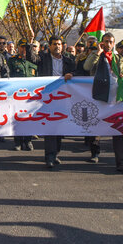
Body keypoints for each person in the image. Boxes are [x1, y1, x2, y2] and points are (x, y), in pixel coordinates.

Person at [83, 33, 123, 172]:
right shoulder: (97, 56)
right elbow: (87, 67)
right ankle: (95, 153)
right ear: (101, 43)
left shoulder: (118, 58)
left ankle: (121, 161)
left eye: (110, 42)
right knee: (96, 126)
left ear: (114, 43)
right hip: (99, 96)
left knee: (117, 129)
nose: (108, 44)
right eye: (105, 42)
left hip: (115, 97)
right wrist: (97, 52)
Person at [29, 36, 75, 168]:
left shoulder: (68, 60)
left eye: (59, 44)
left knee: (60, 127)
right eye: (54, 44)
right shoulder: (43, 58)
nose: (57, 46)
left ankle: (55, 154)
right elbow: (32, 59)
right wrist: (31, 42)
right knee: (50, 126)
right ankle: (49, 156)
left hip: (63, 97)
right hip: (47, 97)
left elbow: (77, 71)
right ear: (49, 46)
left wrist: (71, 74)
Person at [8, 38, 38, 152]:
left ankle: (28, 140)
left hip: (31, 96)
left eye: (26, 47)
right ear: (18, 47)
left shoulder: (34, 61)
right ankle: (18, 142)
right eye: (22, 47)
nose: (24, 49)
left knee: (30, 118)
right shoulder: (12, 61)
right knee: (17, 119)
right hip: (17, 95)